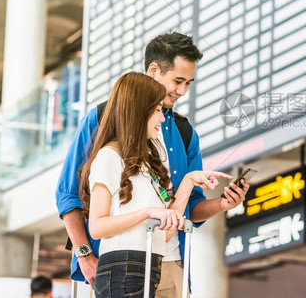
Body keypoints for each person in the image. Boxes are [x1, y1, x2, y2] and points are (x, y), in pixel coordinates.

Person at [55, 32, 250, 297]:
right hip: (114, 262)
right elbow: (69, 195)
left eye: (189, 83)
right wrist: (85, 256)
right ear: (154, 70)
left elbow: (186, 208)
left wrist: (221, 204)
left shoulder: (184, 132)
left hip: (170, 260)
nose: (182, 91)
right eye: (178, 81)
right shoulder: (103, 119)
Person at [79, 72, 231, 298]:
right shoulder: (108, 156)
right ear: (139, 110)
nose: (162, 118)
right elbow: (97, 227)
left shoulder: (149, 165)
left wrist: (189, 181)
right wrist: (147, 213)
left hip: (151, 264)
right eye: (157, 110)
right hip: (122, 269)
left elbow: (166, 234)